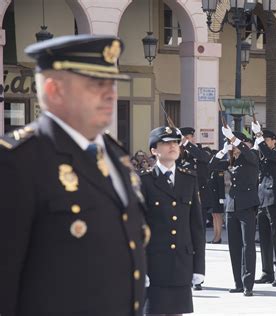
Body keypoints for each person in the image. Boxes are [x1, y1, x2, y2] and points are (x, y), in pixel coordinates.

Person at [0, 35, 147, 315]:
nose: (110, 93)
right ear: (55, 90)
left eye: (112, 83)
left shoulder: (116, 157)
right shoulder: (16, 162)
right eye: (96, 84)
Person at [141, 126, 205, 315]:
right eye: (166, 143)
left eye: (175, 142)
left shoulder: (188, 179)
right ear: (154, 150)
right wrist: (139, 266)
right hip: (155, 266)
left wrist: (199, 266)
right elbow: (138, 229)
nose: (173, 146)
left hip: (181, 265)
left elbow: (196, 226)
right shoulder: (144, 181)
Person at [211, 127, 260, 297]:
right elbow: (212, 165)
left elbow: (248, 152)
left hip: (247, 206)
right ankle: (238, 283)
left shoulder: (251, 158)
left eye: (235, 144)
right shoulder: (231, 162)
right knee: (234, 246)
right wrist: (223, 150)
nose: (234, 147)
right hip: (232, 207)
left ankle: (248, 284)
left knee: (248, 246)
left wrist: (233, 138)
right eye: (232, 145)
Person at [252, 121, 276, 287]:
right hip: (262, 200)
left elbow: (269, 154)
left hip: (274, 200)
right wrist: (254, 145)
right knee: (264, 239)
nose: (264, 142)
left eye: (267, 140)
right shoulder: (262, 154)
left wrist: (259, 138)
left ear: (274, 141)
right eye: (263, 139)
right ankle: (267, 272)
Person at [178, 127, 211, 290]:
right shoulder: (179, 153)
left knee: (199, 238)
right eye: (186, 137)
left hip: (199, 200)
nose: (188, 140)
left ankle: (198, 278)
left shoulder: (201, 150)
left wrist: (188, 145)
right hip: (183, 200)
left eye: (190, 137)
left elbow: (205, 159)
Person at [208, 149, 226, 244]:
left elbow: (221, 185)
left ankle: (218, 237)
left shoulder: (219, 170)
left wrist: (221, 197)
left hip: (218, 197)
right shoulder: (211, 170)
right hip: (212, 197)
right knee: (214, 216)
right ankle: (215, 235)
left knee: (218, 216)